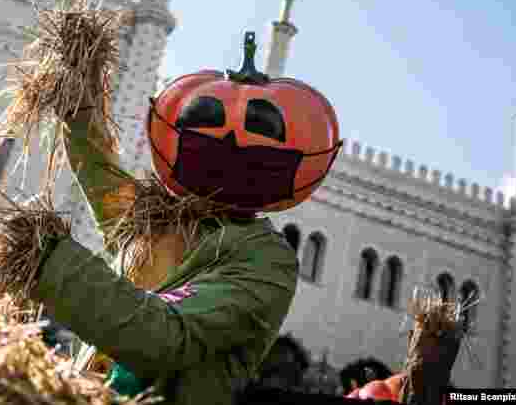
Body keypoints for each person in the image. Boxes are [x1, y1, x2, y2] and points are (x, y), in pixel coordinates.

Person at [27, 33, 342, 405]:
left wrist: (48, 261)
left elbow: (165, 336)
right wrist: (78, 96)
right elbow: (98, 168)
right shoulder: (155, 220)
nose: (229, 139)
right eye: (207, 118)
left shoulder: (266, 259)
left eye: (260, 126)